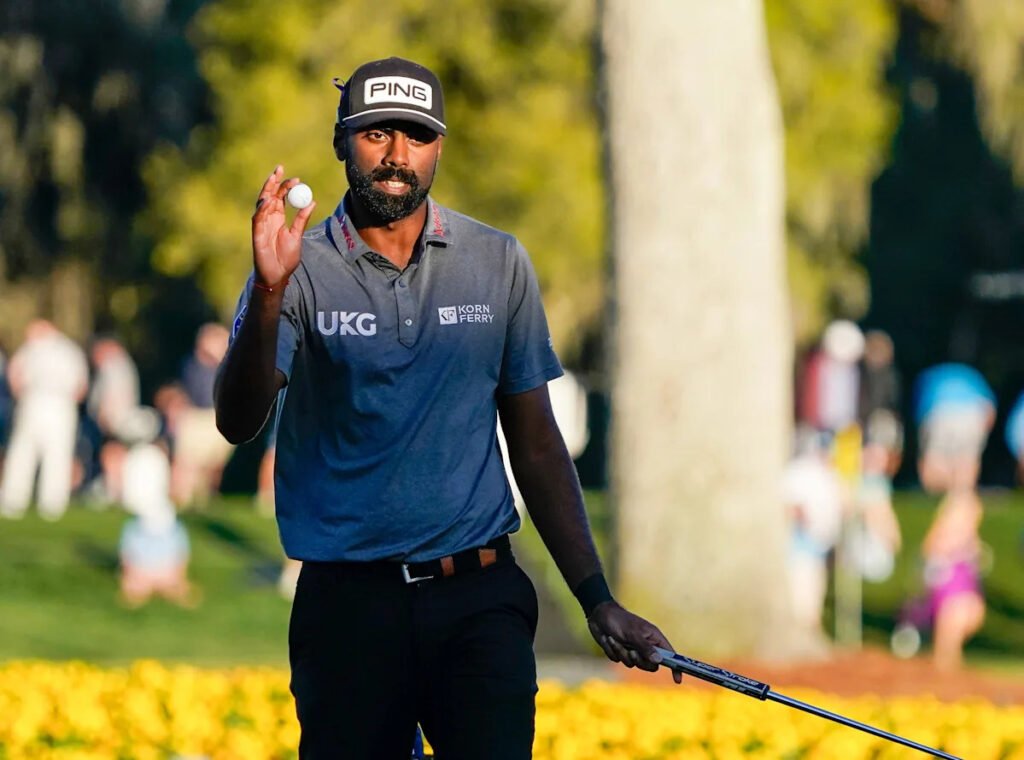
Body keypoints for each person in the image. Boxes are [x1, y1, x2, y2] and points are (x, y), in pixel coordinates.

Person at [214, 57, 679, 758]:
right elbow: (236, 420)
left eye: (418, 136)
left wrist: (596, 599)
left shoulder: (497, 261)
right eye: (376, 134)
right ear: (341, 142)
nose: (397, 156)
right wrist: (270, 291)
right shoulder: (294, 267)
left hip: (478, 598)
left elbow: (536, 443)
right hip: (347, 607)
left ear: (440, 147)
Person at [0, 320, 89, 520]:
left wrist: (21, 397)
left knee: (23, 452)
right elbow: (81, 387)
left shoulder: (31, 348)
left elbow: (14, 375)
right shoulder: (71, 351)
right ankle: (52, 504)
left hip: (34, 402)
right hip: (62, 406)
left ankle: (13, 500)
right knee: (57, 454)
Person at [913, 363, 995, 493]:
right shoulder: (972, 375)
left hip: (941, 413)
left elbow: (921, 411)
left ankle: (942, 489)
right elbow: (989, 409)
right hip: (973, 414)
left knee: (937, 457)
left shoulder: (930, 376)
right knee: (967, 458)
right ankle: (962, 490)